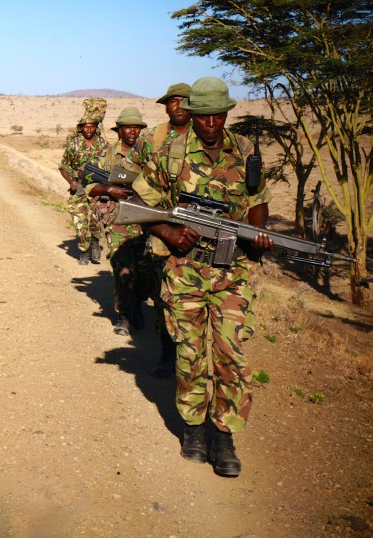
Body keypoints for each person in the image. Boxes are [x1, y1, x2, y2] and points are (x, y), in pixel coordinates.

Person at [131, 77, 274, 477]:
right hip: (184, 269)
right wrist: (170, 233)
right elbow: (141, 204)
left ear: (227, 113)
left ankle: (224, 434)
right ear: (191, 114)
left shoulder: (245, 150)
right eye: (203, 115)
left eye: (219, 114)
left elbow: (257, 201)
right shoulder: (170, 153)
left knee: (231, 355)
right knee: (190, 352)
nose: (212, 122)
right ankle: (193, 428)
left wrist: (258, 235)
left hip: (234, 272)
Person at [134, 83, 192, 377]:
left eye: (185, 101)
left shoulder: (209, 137)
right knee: (163, 298)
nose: (178, 106)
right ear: (165, 106)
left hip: (200, 233)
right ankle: (167, 354)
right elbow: (136, 180)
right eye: (173, 101)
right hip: (161, 231)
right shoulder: (152, 140)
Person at [87, 107, 147, 335]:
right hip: (117, 220)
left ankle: (137, 307)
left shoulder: (149, 154)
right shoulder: (107, 156)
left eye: (136, 127)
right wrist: (110, 188)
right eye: (128, 127)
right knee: (123, 268)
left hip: (146, 219)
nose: (133, 131)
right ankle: (123, 316)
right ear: (119, 130)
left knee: (143, 270)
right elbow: (91, 186)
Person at [59, 98, 110, 265]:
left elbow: (109, 167)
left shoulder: (103, 145)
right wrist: (71, 182)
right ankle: (83, 252)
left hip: (97, 189)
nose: (89, 129)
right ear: (81, 128)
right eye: (85, 126)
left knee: (95, 222)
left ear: (96, 128)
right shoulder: (74, 145)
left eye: (92, 126)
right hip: (79, 189)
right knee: (80, 223)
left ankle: (95, 244)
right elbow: (63, 167)